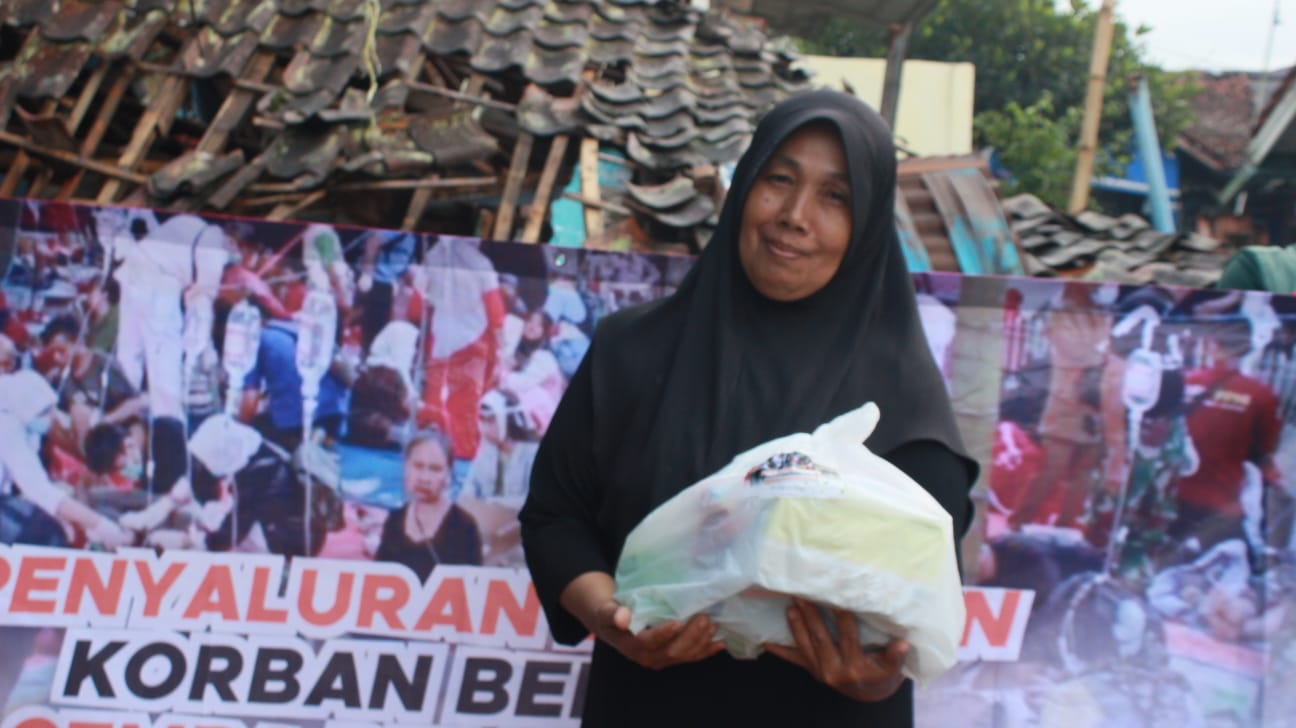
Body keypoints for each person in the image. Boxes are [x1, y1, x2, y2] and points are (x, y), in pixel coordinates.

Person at [519, 91, 976, 727]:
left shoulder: (901, 401)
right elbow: (555, 516)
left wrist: (869, 681)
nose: (795, 215)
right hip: (648, 708)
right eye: (779, 179)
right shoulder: (633, 351)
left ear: (868, 226)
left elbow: (915, 616)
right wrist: (610, 618)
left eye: (834, 197)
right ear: (743, 190)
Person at [375, 430, 483, 581]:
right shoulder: (394, 520)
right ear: (406, 466)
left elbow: (473, 588)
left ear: (448, 474)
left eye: (435, 469)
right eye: (418, 466)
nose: (424, 478)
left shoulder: (464, 526)